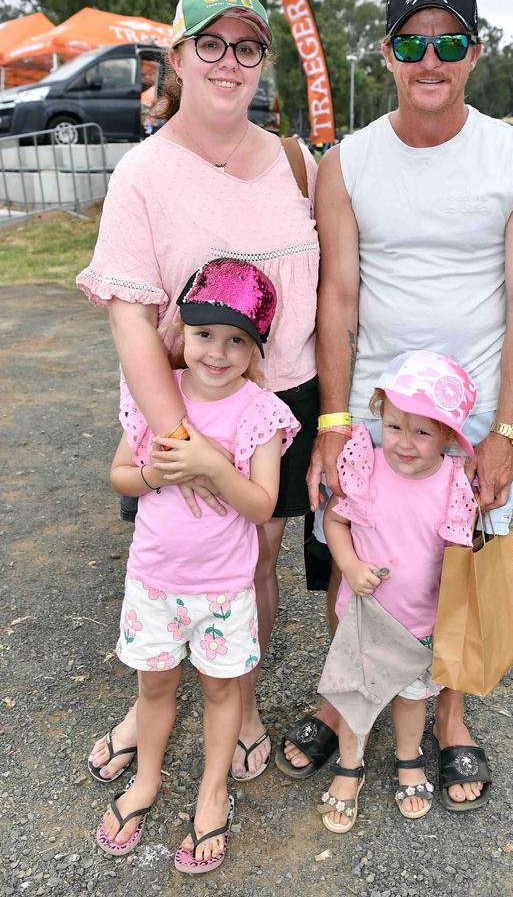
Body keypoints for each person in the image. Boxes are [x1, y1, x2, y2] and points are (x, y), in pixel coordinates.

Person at [280, 0, 513, 809]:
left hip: (469, 427)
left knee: (452, 581)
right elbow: (338, 292)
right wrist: (331, 420)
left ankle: (450, 720)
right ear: (390, 53)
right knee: (354, 570)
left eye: (449, 42)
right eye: (411, 42)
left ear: (475, 51)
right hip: (373, 422)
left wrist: (504, 433)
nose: (429, 60)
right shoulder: (348, 163)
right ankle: (346, 701)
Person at [77, 0, 319, 785]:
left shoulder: (294, 161)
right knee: (168, 560)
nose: (228, 62)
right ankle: (146, 700)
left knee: (257, 558)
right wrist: (180, 443)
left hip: (281, 395)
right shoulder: (142, 174)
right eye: (209, 44)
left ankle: (240, 698)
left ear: (262, 61)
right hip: (178, 404)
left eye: (246, 46)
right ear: (177, 56)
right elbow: (129, 318)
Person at [95, 258, 300, 871]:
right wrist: (156, 472)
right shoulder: (157, 395)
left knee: (219, 691)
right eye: (205, 333)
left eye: (237, 340)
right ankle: (147, 781)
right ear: (181, 331)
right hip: (153, 584)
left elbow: (263, 503)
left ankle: (213, 793)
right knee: (154, 686)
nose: (217, 352)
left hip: (223, 591)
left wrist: (213, 466)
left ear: (256, 350)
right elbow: (120, 475)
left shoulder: (258, 412)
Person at [316, 351, 484, 833]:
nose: (404, 443)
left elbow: (456, 551)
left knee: (412, 698)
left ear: (449, 436)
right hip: (365, 616)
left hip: (419, 623)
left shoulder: (454, 481)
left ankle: (407, 759)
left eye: (422, 431)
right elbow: (336, 519)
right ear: (380, 419)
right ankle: (351, 766)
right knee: (356, 694)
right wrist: (348, 565)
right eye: (394, 427)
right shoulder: (366, 467)